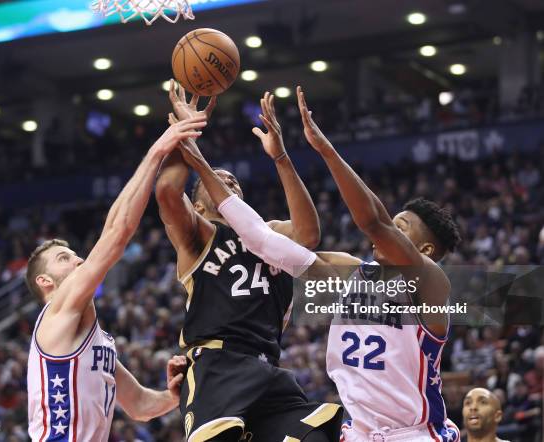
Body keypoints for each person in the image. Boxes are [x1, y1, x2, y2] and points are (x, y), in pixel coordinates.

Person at [174, 86, 462, 441]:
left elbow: (375, 221)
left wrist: (325, 149)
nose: (387, 235)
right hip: (358, 433)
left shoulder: (431, 284)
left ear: (427, 250)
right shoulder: (349, 274)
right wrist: (205, 164)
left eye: (402, 230)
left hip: (415, 434)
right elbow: (264, 241)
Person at [157, 81, 342, 442]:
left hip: (268, 370)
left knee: (315, 436)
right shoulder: (200, 237)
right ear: (197, 206)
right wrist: (185, 132)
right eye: (216, 180)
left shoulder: (269, 234)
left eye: (233, 180)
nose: (228, 179)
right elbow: (165, 191)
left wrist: (281, 157)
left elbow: (308, 235)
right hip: (218, 367)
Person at [25, 116, 207, 441]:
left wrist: (172, 396)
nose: (79, 259)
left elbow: (138, 404)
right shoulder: (56, 313)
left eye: (76, 254)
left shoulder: (97, 343)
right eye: (64, 258)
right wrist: (157, 151)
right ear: (45, 282)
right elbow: (117, 233)